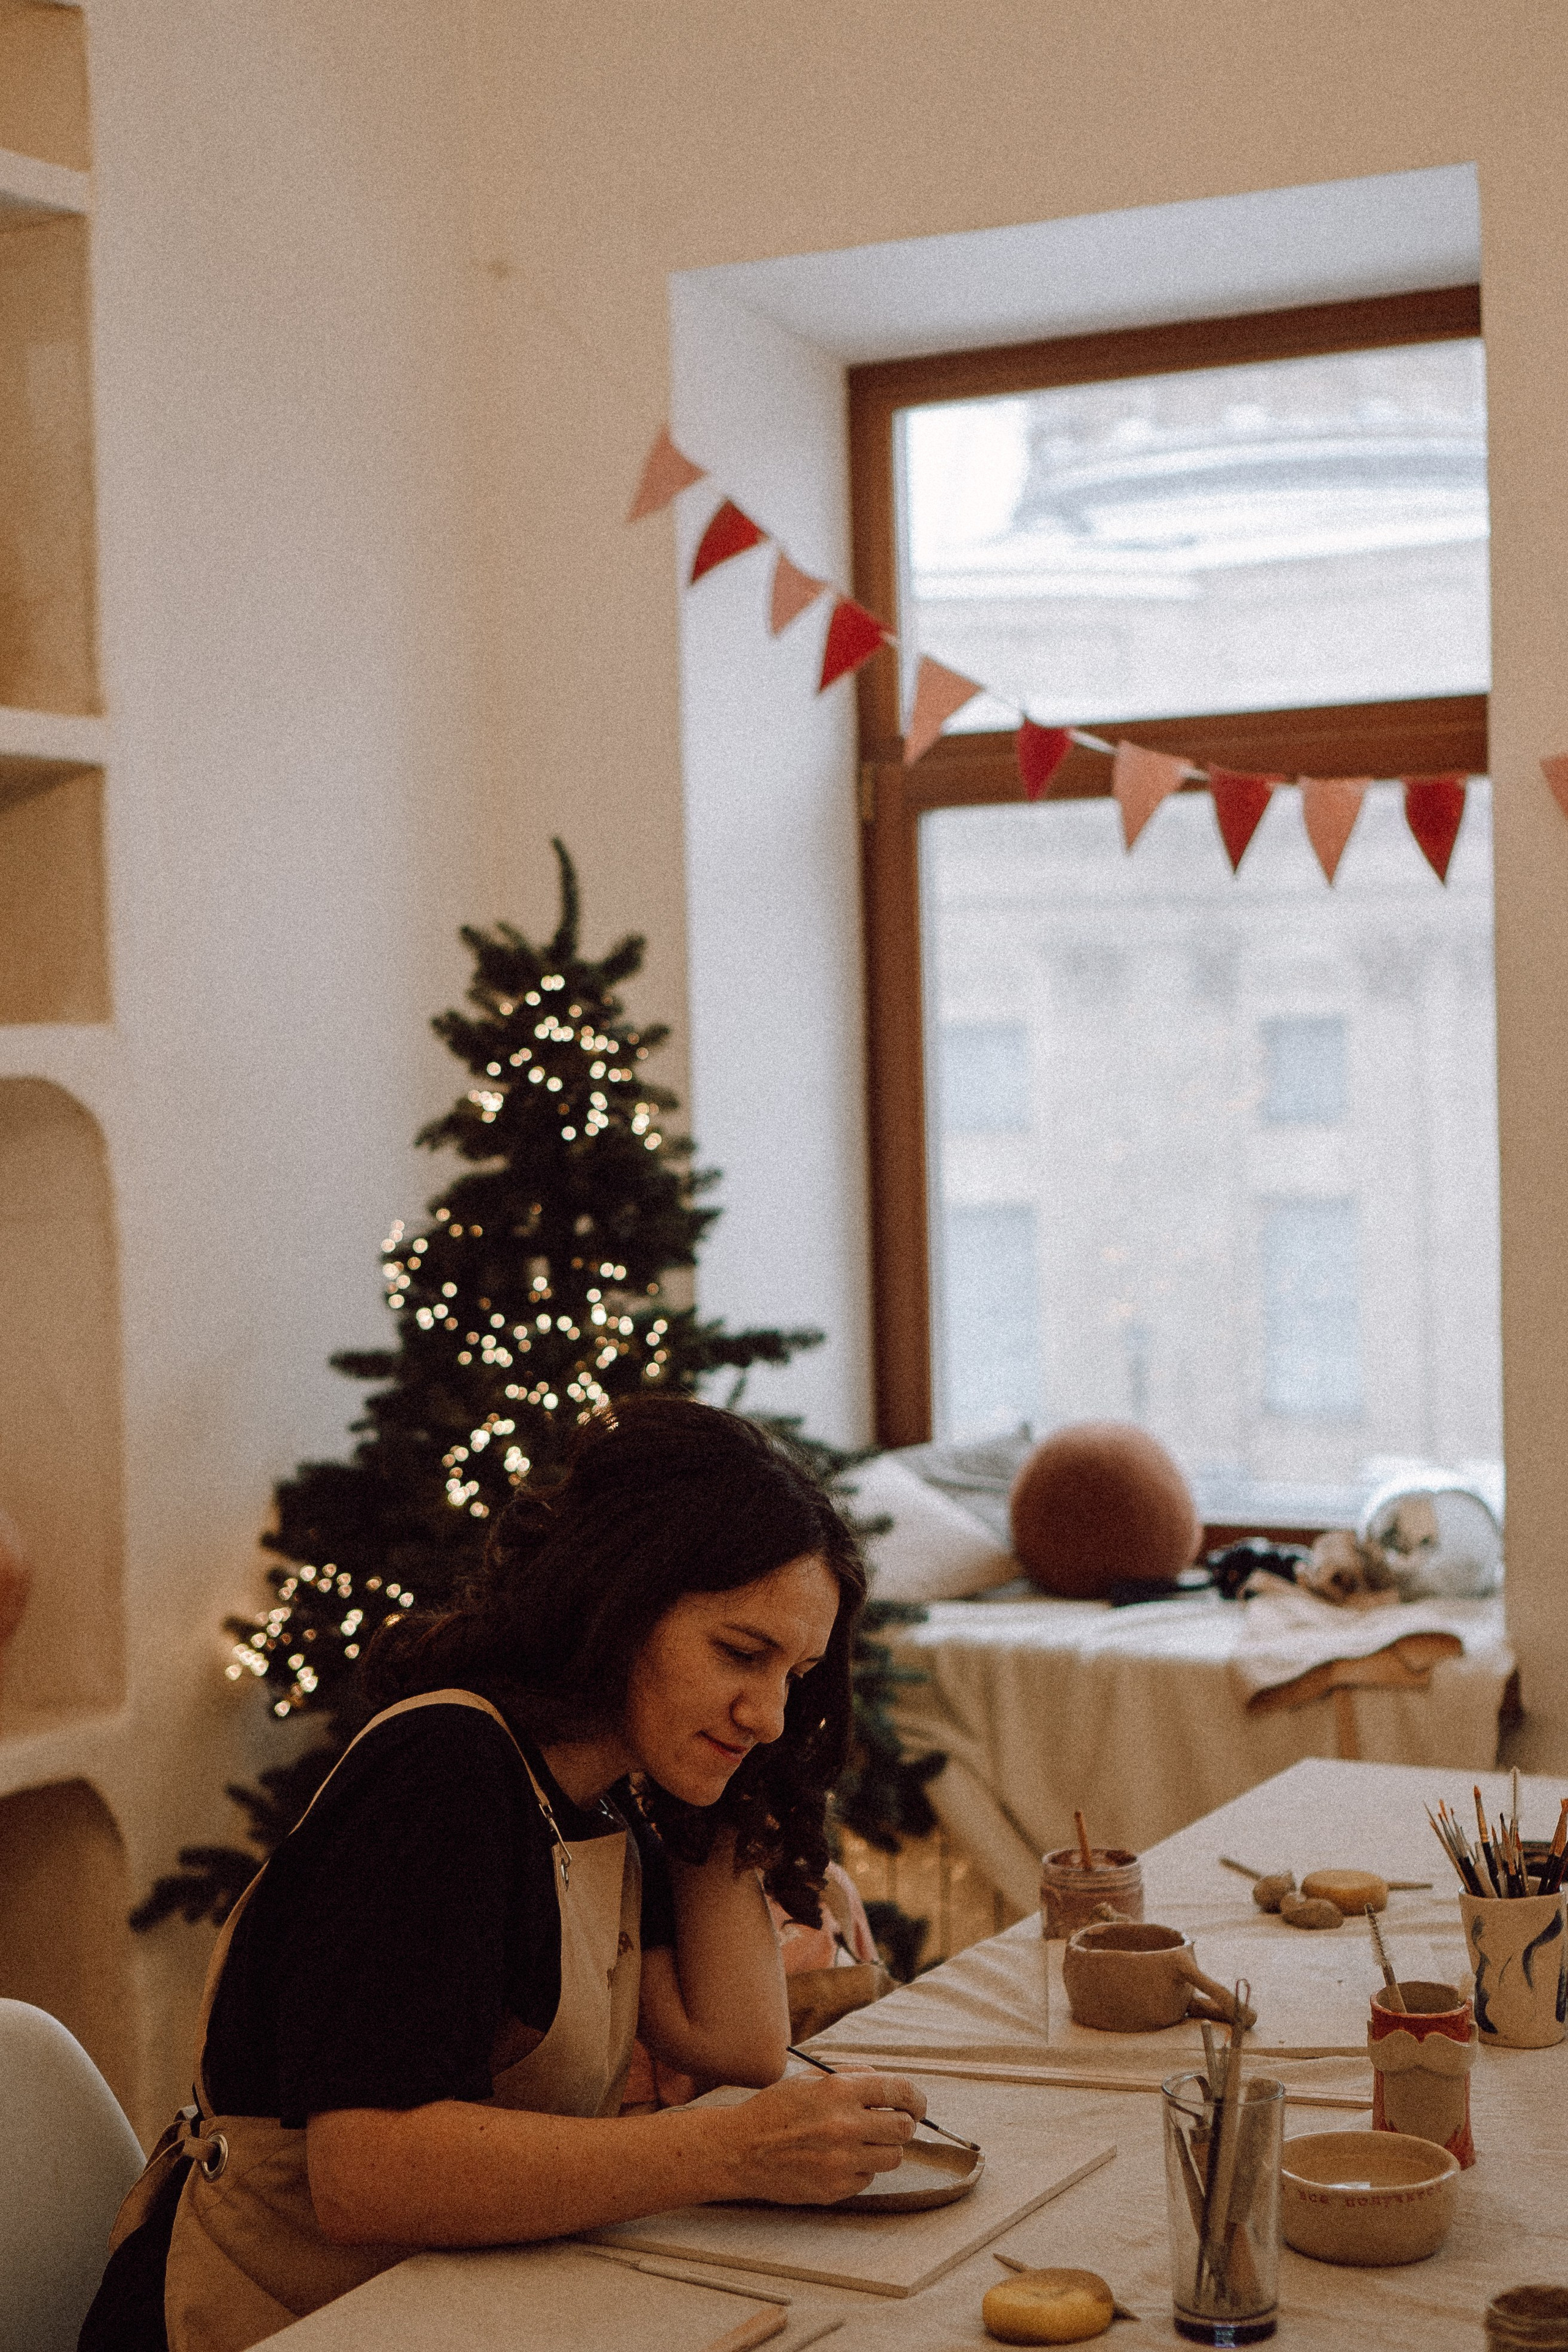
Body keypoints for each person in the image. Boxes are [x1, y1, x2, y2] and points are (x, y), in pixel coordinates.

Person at [83, 1397, 924, 2352]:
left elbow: (737, 2041)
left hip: (433, 2311)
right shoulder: (447, 1774)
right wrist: (733, 2152)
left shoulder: (600, 1790)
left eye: (799, 1675)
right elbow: (366, 2174)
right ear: (622, 1598)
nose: (773, 1711)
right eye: (741, 1653)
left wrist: (730, 1786)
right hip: (265, 2323)